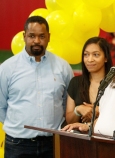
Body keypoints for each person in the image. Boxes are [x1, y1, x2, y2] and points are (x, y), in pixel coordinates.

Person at [0, 16, 73, 158]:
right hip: (17, 145)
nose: (37, 41)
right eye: (32, 36)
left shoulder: (63, 67)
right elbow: (1, 106)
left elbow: (67, 105)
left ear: (49, 37)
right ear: (24, 36)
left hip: (53, 144)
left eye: (42, 36)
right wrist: (18, 128)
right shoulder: (7, 68)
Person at [65, 37, 112, 125]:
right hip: (78, 137)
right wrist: (78, 109)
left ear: (106, 58)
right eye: (86, 55)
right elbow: (69, 121)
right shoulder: (75, 82)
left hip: (105, 136)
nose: (89, 60)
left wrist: (99, 111)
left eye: (96, 55)